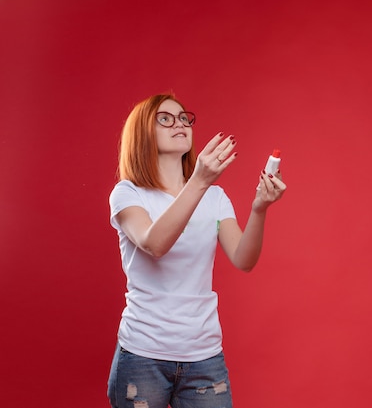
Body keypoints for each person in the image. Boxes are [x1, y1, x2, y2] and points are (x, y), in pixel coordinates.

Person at [107, 93, 286, 408]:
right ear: (142, 133)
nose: (180, 123)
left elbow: (244, 260)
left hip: (204, 356)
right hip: (142, 355)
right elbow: (154, 243)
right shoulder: (128, 193)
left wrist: (259, 209)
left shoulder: (214, 196)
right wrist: (199, 182)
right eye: (165, 118)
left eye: (183, 118)